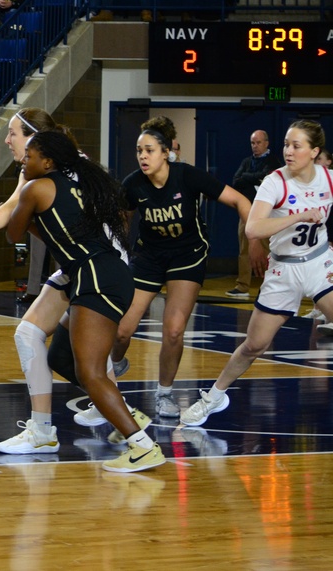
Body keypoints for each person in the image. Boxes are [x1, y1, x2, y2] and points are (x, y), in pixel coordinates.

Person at [6, 130, 165, 473]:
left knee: (91, 373)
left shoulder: (36, 188)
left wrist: (23, 188)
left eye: (29, 155)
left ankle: (142, 446)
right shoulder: (80, 185)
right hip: (110, 274)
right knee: (61, 356)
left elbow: (13, 232)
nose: (23, 160)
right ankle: (123, 414)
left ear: (47, 161)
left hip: (94, 278)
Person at [181, 121, 333, 428]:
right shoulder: (275, 182)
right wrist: (300, 215)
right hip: (283, 269)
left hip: (320, 264)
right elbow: (253, 228)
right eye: (286, 144)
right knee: (254, 345)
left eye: (296, 145)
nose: (288, 151)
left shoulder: (328, 179)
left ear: (315, 152)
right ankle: (213, 397)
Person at [112, 116, 253, 417]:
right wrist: (119, 252)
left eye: (149, 150)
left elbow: (240, 199)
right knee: (122, 330)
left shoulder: (187, 176)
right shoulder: (133, 184)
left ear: (166, 152)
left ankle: (164, 393)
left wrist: (254, 238)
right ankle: (112, 372)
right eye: (139, 151)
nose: (143, 156)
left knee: (174, 331)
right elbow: (122, 219)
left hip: (186, 256)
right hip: (148, 258)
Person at [228, 130, 280, 300]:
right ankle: (242, 286)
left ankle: (268, 286)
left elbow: (267, 179)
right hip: (246, 211)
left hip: (266, 213)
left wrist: (247, 178)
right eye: (252, 143)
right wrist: (254, 179)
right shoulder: (246, 161)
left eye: (258, 143)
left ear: (266, 143)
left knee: (266, 249)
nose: (255, 146)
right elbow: (236, 181)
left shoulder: (273, 161)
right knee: (244, 248)